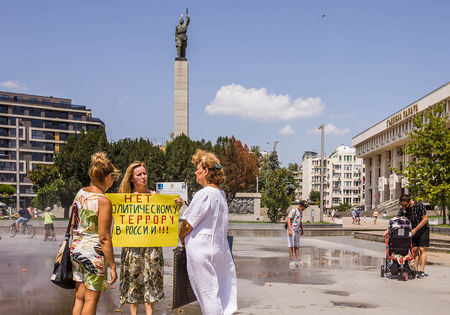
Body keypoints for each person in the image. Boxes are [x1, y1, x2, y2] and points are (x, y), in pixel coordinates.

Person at [119, 162, 183, 315]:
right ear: (131, 179)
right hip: (132, 247)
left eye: (145, 173)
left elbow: (165, 218)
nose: (143, 177)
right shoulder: (125, 198)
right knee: (133, 282)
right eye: (139, 174)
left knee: (151, 282)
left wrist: (176, 207)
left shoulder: (155, 196)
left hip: (152, 247)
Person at [179, 150, 237, 315]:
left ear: (205, 171)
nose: (195, 172)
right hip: (218, 248)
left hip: (201, 249)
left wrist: (181, 237)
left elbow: (187, 223)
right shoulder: (221, 194)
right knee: (216, 290)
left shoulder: (204, 194)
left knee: (207, 293)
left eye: (198, 168)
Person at [70, 152, 119, 315]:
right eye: (113, 177)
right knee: (91, 300)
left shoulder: (80, 193)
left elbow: (73, 223)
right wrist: (112, 265)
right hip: (92, 254)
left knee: (79, 298)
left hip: (76, 248)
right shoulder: (103, 201)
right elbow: (104, 238)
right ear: (107, 177)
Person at [385, 194, 429, 278]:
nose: (403, 207)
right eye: (402, 205)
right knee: (414, 249)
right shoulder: (404, 209)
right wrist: (388, 230)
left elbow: (425, 219)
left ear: (409, 202)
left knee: (422, 248)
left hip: (422, 229)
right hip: (411, 231)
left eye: (404, 205)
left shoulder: (419, 206)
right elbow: (396, 220)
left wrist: (416, 229)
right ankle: (415, 270)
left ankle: (422, 271)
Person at [286, 201, 307, 268]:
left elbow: (300, 221)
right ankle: (291, 260)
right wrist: (290, 230)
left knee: (297, 245)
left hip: (297, 230)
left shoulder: (301, 212)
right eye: (304, 207)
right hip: (292, 230)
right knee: (291, 245)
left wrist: (302, 229)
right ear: (300, 205)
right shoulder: (293, 210)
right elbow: (288, 219)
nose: (304, 209)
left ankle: (298, 260)